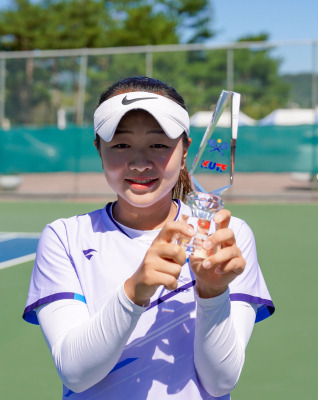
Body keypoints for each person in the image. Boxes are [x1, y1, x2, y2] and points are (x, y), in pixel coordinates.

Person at [22, 76, 275, 399]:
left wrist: (213, 293)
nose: (140, 163)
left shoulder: (227, 236)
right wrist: (135, 291)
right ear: (99, 150)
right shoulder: (64, 236)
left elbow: (220, 382)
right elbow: (76, 373)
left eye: (158, 145)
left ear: (185, 151)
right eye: (122, 145)